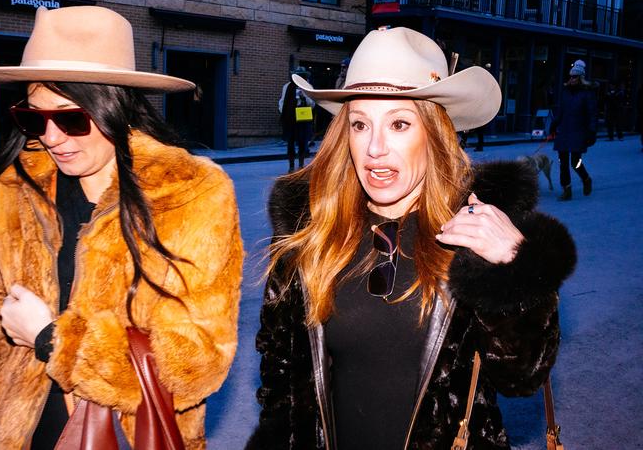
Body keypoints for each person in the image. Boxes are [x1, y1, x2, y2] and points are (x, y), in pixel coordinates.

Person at [0, 6, 243, 449]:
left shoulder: (190, 193)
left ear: (114, 106)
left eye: (70, 118)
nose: (52, 136)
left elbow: (196, 363)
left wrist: (50, 339)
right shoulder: (7, 187)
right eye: (33, 118)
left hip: (135, 437)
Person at [247, 27, 576, 449]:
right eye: (360, 125)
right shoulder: (311, 234)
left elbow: (523, 376)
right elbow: (282, 392)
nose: (375, 148)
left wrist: (513, 269)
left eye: (399, 123)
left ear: (434, 133)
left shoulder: (472, 235)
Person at [550, 59, 597, 201]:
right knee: (562, 162)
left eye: (575, 76)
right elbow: (560, 111)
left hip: (578, 132)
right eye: (570, 76)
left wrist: (591, 132)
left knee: (575, 162)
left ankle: (586, 178)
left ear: (581, 78)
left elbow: (592, 114)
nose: (571, 79)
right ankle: (567, 189)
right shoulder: (565, 93)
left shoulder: (587, 94)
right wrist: (554, 125)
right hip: (564, 132)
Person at [279, 69, 313, 173]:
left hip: (302, 118)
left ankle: (301, 164)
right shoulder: (287, 86)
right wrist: (283, 111)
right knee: (290, 142)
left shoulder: (307, 86)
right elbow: (282, 101)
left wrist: (304, 97)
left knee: (302, 142)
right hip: (290, 118)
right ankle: (291, 165)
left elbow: (312, 103)